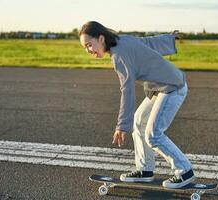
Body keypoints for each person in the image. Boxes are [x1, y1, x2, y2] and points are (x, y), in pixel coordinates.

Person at [78, 21, 195, 189]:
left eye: (89, 45)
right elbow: (147, 43)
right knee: (139, 122)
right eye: (85, 48)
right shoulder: (123, 40)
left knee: (153, 134)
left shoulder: (119, 56)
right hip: (160, 87)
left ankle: (185, 171)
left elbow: (127, 91)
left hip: (171, 87)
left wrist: (121, 126)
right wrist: (169, 38)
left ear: (101, 38)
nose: (88, 50)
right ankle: (145, 170)